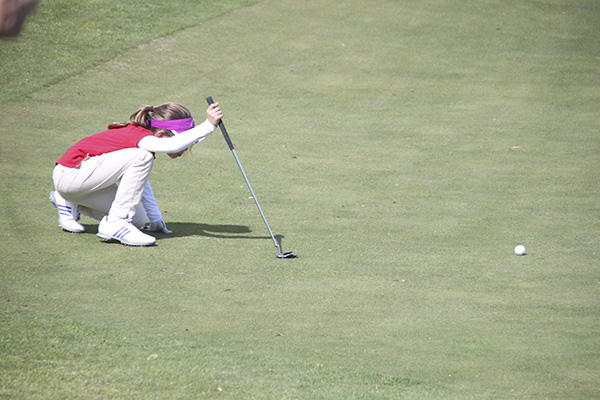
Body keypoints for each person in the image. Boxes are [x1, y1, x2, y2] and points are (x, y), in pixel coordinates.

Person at [50, 101, 223, 246]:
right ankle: (115, 224)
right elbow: (171, 146)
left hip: (83, 184)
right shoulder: (140, 137)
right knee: (143, 156)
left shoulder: (142, 144)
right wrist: (208, 126)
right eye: (184, 141)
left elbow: (138, 182)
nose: (185, 148)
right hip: (70, 175)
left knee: (137, 219)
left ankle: (68, 200)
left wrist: (155, 218)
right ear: (161, 134)